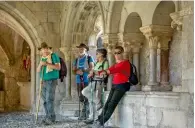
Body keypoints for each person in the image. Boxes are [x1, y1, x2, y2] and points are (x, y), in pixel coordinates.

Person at [92, 46, 131, 128]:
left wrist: (104, 72)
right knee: (107, 102)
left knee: (112, 103)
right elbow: (110, 69)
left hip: (122, 85)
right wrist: (99, 72)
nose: (116, 54)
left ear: (123, 53)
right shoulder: (117, 64)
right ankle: (99, 119)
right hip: (115, 85)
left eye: (118, 52)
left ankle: (102, 122)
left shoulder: (125, 63)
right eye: (115, 53)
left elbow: (112, 70)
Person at [82, 48, 109, 124]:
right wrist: (91, 73)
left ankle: (98, 103)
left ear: (102, 54)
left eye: (97, 53)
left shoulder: (105, 62)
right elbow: (94, 71)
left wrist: (94, 72)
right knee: (90, 100)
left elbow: (104, 73)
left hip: (99, 82)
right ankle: (91, 118)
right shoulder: (97, 62)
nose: (96, 55)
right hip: (93, 81)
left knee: (84, 91)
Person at [36, 42, 61, 125]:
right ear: (41, 51)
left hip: (51, 80)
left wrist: (46, 64)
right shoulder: (42, 58)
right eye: (43, 49)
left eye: (46, 48)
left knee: (49, 99)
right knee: (45, 101)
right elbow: (38, 70)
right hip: (43, 81)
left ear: (48, 49)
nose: (45, 50)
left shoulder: (54, 56)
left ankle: (51, 118)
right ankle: (47, 116)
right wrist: (41, 64)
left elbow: (58, 67)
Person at [72, 43, 95, 120]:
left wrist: (84, 70)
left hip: (86, 79)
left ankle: (85, 113)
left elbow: (92, 68)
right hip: (79, 80)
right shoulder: (76, 59)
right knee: (80, 96)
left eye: (82, 49)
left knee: (86, 96)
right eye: (79, 48)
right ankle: (84, 112)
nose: (80, 50)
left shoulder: (89, 58)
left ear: (86, 49)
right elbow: (73, 70)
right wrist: (77, 72)